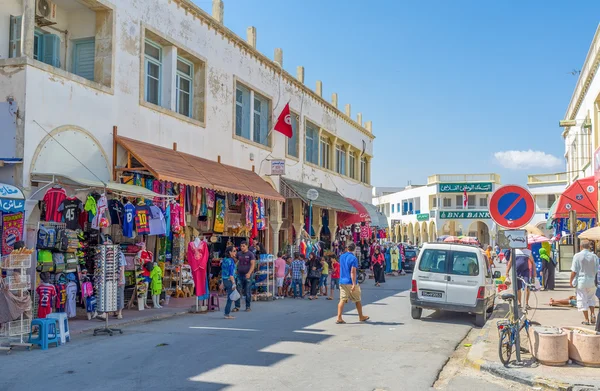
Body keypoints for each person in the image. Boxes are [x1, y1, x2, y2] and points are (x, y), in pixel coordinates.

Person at [336, 243, 369, 324]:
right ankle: (361, 316)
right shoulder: (353, 258)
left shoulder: (341, 257)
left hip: (342, 281)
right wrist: (354, 283)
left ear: (347, 248)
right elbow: (353, 272)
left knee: (342, 299)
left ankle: (339, 317)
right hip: (350, 282)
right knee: (357, 300)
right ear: (354, 249)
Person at [570, 240, 599, 326]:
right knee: (591, 298)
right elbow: (597, 269)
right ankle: (593, 314)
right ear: (589, 247)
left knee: (582, 299)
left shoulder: (577, 256)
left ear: (581, 246)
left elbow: (574, 270)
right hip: (592, 281)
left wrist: (570, 281)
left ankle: (586, 319)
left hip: (581, 281)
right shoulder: (594, 256)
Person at [234, 241, 255, 312]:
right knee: (237, 290)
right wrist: (232, 256)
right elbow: (235, 261)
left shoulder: (250, 254)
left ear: (247, 246)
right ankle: (237, 306)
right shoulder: (239, 253)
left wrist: (249, 273)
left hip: (248, 275)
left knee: (247, 291)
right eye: (241, 246)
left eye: (243, 246)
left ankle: (248, 306)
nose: (242, 247)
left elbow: (253, 265)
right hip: (239, 275)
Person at [220, 246, 237, 319]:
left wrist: (222, 282)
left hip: (224, 280)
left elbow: (223, 272)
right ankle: (227, 313)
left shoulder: (224, 260)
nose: (235, 252)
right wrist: (234, 283)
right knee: (230, 297)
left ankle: (227, 313)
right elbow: (231, 274)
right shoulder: (231, 261)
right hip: (229, 280)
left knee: (230, 297)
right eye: (234, 251)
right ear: (230, 252)